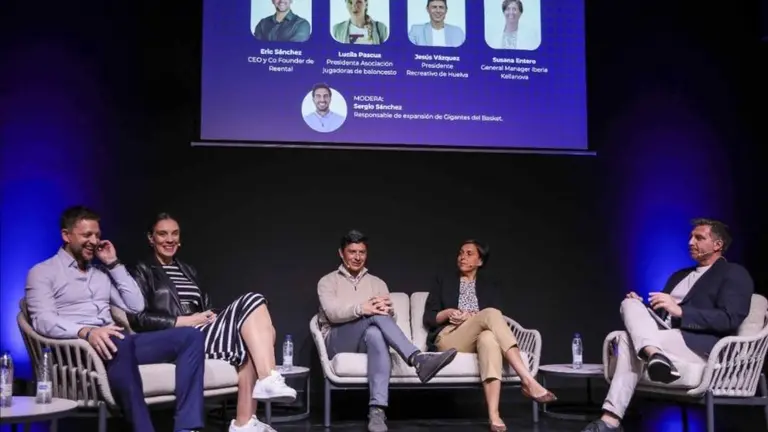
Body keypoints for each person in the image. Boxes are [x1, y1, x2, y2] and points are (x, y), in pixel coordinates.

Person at [24, 206, 205, 432]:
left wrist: (113, 264)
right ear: (66, 235)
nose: (94, 241)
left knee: (190, 336)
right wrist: (86, 331)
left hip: (119, 343)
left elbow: (136, 305)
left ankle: (187, 428)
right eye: (86, 235)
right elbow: (42, 320)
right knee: (118, 338)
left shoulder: (101, 274)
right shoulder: (42, 272)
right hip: (79, 348)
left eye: (97, 235)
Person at [581, 218, 754, 432]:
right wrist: (643, 307)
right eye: (691, 237)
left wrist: (681, 311)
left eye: (699, 238)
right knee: (629, 303)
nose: (691, 242)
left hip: (698, 344)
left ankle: (610, 420)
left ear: (717, 245)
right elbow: (662, 316)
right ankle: (654, 354)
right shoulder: (679, 276)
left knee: (626, 340)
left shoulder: (734, 274)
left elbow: (730, 319)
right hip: (666, 338)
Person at [127, 213, 295, 432]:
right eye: (162, 234)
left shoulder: (188, 270)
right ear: (151, 238)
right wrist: (186, 320)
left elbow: (206, 307)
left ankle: (244, 423)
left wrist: (211, 315)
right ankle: (267, 378)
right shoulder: (141, 271)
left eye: (174, 234)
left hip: (204, 328)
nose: (169, 239)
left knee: (259, 331)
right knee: (253, 299)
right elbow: (138, 319)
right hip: (178, 337)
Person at [317, 230, 458, 432]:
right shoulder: (327, 281)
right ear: (341, 253)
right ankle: (418, 359)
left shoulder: (377, 283)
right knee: (373, 315)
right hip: (337, 339)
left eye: (362, 252)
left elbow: (387, 321)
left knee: (375, 332)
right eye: (352, 252)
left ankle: (377, 411)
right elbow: (332, 313)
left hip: (366, 339)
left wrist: (389, 312)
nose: (357, 257)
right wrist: (362, 308)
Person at [424, 240, 556, 432]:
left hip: (477, 338)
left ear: (480, 261)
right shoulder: (443, 279)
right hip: (450, 336)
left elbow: (494, 323)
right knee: (492, 313)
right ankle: (528, 380)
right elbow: (429, 317)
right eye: (461, 252)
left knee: (488, 339)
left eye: (469, 254)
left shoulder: (489, 286)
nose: (462, 257)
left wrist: (474, 318)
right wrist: (449, 312)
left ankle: (494, 415)